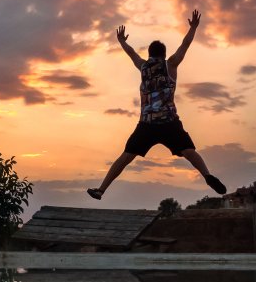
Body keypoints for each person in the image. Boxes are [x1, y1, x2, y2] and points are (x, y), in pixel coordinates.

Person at [88, 10, 226, 200]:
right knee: (188, 151)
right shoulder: (171, 65)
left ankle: (101, 190)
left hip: (147, 124)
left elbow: (131, 53)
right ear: (164, 54)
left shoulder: (143, 66)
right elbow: (185, 45)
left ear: (150, 54)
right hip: (169, 121)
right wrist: (193, 27)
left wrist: (121, 41)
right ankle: (207, 175)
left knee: (126, 157)